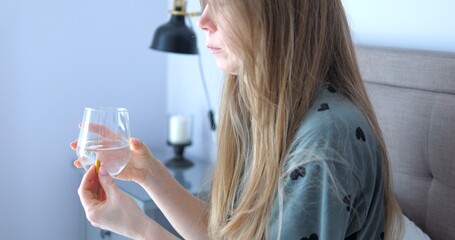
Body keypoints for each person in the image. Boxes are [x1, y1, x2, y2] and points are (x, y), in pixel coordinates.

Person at [73, 0, 404, 239]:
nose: (202, 20)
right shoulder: (263, 116)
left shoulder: (327, 138)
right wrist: (148, 173)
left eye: (220, 3)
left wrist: (140, 227)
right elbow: (226, 235)